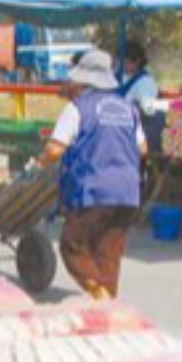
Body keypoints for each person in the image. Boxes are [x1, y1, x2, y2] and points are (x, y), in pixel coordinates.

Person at [41, 49, 145, 301]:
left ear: (82, 80)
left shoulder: (78, 108)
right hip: (129, 192)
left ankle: (98, 293)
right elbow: (143, 148)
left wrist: (43, 159)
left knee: (72, 245)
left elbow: (55, 149)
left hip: (94, 189)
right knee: (108, 252)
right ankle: (108, 307)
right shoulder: (127, 108)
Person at [119, 41, 164, 157]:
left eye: (126, 61)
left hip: (136, 131)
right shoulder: (119, 77)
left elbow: (149, 110)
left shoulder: (145, 82)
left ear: (137, 61)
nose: (122, 64)